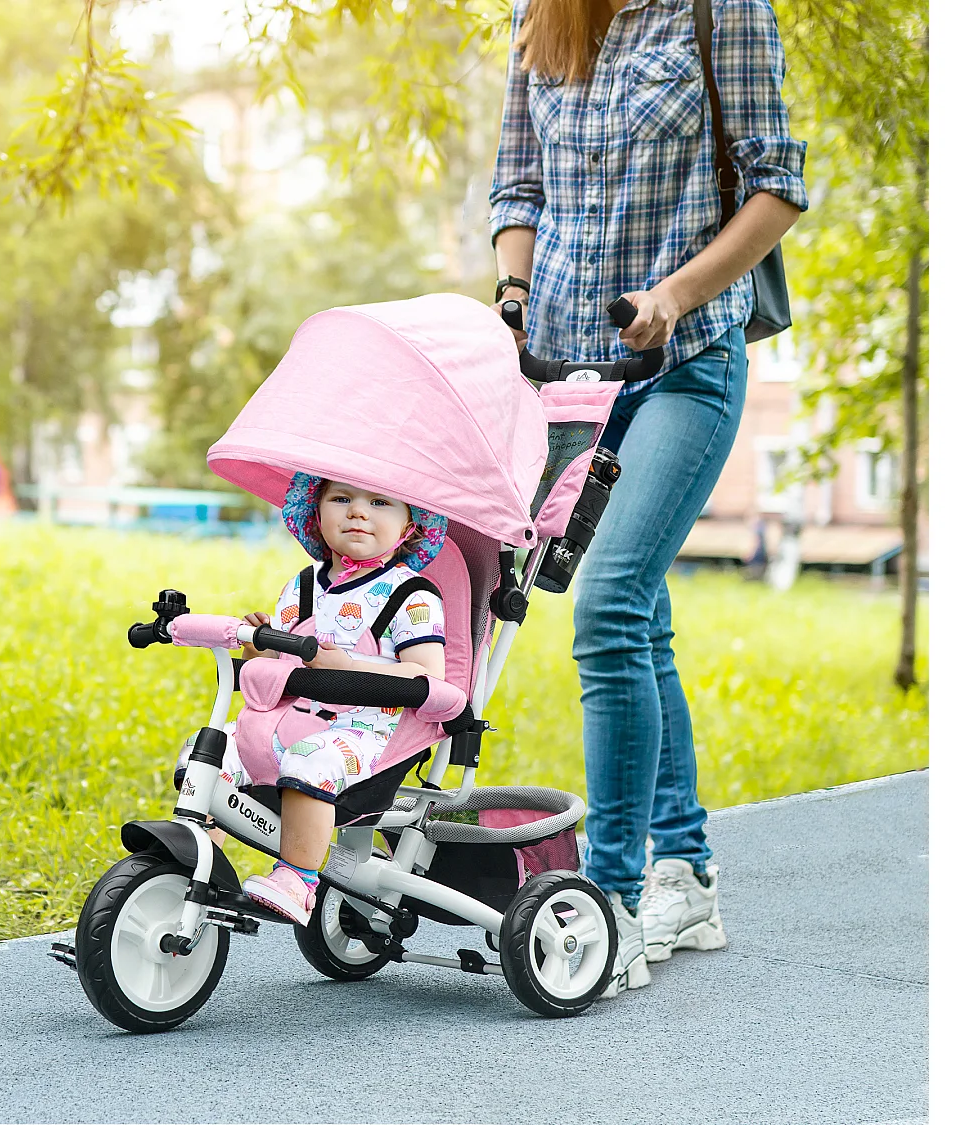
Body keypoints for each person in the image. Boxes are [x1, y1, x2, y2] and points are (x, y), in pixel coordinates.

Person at [487, 0, 808, 970]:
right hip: (568, 376)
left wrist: (676, 295)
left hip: (687, 363)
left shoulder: (723, 12)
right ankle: (689, 877)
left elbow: (778, 187)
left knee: (611, 606)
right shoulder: (542, 14)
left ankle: (611, 903)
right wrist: (511, 297)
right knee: (643, 618)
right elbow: (519, 184)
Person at [175, 476, 449, 924]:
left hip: (363, 732)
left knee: (310, 760)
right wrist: (259, 647)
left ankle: (298, 879)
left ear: (410, 526)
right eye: (341, 499)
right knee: (206, 752)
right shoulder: (304, 585)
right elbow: (283, 658)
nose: (358, 512)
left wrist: (348, 665)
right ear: (316, 515)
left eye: (380, 502)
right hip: (286, 718)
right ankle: (199, 863)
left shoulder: (412, 595)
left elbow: (425, 675)